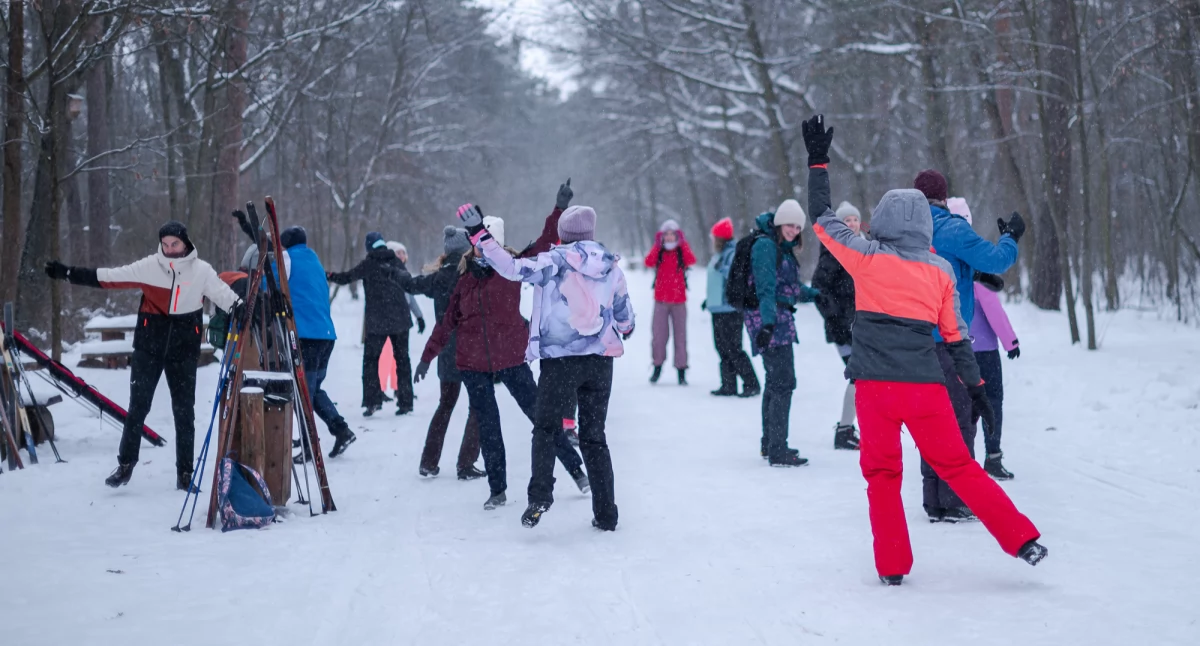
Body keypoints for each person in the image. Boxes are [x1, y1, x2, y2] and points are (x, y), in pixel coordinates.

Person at [803, 114, 1046, 585]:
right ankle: (1022, 539)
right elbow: (956, 336)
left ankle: (893, 567)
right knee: (960, 467)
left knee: (882, 476)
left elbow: (822, 218)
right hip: (925, 389)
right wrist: (976, 386)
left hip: (875, 390)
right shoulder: (939, 272)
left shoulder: (865, 257)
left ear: (882, 220)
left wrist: (818, 163)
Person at [416, 182, 587, 511]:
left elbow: (544, 242)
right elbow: (447, 322)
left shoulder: (512, 268)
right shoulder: (464, 281)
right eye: (479, 244)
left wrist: (559, 209)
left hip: (511, 358)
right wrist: (427, 357)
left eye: (488, 242)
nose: (483, 249)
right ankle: (497, 490)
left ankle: (577, 471)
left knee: (541, 418)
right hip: (472, 365)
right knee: (489, 428)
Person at [464, 201, 635, 531]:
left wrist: (479, 235)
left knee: (545, 428)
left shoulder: (554, 261)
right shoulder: (610, 266)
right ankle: (606, 514)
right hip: (600, 362)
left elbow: (512, 268)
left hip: (560, 362)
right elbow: (624, 315)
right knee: (595, 437)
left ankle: (540, 495)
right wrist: (625, 328)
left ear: (564, 233)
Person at [44, 222, 243, 490]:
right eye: (165, 244)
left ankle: (185, 474)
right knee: (138, 408)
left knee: (184, 412)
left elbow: (227, 298)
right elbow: (109, 277)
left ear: (185, 243)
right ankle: (125, 465)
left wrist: (243, 308)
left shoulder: (201, 271)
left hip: (183, 350)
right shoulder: (150, 266)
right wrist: (68, 273)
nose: (170, 249)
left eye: (175, 244)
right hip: (149, 347)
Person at [914, 170, 1025, 522]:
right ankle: (956, 499)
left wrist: (970, 273)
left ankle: (933, 498)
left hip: (914, 343)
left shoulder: (906, 230)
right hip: (949, 341)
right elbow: (997, 259)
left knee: (929, 421)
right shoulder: (952, 228)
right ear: (943, 198)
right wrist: (1010, 237)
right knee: (959, 419)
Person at [745, 200, 820, 466]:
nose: (794, 230)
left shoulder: (781, 249)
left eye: (798, 227)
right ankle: (778, 449)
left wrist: (816, 295)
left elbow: (791, 287)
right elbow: (765, 288)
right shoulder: (766, 247)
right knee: (783, 383)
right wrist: (767, 324)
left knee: (775, 382)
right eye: (790, 225)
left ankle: (770, 444)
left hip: (777, 319)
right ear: (779, 223)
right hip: (770, 320)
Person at [405, 227, 483, 480]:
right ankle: (466, 463)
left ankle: (428, 462)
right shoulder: (473, 273)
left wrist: (395, 271)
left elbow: (412, 285)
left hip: (446, 348)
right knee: (478, 407)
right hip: (472, 350)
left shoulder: (439, 277)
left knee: (446, 405)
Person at [279, 226, 357, 461]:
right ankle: (341, 430)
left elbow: (267, 283)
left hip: (306, 337)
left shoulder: (287, 259)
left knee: (303, 392)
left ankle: (309, 446)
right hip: (326, 335)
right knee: (312, 391)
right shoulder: (314, 260)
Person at [327, 232, 415, 416]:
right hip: (400, 318)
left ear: (369, 247)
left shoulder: (369, 263)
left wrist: (329, 275)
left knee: (370, 361)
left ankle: (372, 402)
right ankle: (406, 402)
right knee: (403, 360)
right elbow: (407, 281)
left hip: (378, 321)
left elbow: (346, 278)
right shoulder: (396, 261)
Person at [812, 201, 863, 451]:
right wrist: (837, 320)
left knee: (863, 377)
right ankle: (844, 430)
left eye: (855, 219)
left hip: (865, 326)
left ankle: (849, 429)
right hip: (843, 329)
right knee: (859, 376)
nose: (851, 224)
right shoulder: (833, 250)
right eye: (846, 220)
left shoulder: (865, 247)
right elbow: (819, 290)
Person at [702, 217, 759, 397]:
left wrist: (722, 268)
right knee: (722, 348)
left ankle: (752, 384)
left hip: (730, 309)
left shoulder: (732, 253)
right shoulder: (719, 254)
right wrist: (708, 300)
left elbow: (736, 276)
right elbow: (717, 282)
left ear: (719, 238)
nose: (712, 240)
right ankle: (728, 385)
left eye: (714, 237)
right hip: (717, 308)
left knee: (734, 348)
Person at [971, 270, 1019, 480]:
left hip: (955, 348)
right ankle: (993, 458)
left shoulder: (948, 271)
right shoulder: (978, 275)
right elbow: (993, 309)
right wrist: (1011, 342)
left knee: (961, 405)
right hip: (983, 351)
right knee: (992, 402)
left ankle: (959, 459)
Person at [644, 219, 695, 384]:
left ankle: (682, 370)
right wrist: (657, 245)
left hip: (679, 301)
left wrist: (683, 244)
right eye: (666, 234)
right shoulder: (659, 252)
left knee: (681, 337)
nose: (669, 237)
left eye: (673, 234)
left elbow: (691, 260)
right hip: (661, 301)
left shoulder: (681, 251)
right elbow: (648, 262)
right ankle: (657, 365)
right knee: (658, 336)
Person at [386, 241, 426, 334]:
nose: (401, 255)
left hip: (403, 319)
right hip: (390, 321)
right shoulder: (388, 273)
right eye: (398, 253)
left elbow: (409, 297)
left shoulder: (405, 273)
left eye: (403, 253)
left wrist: (419, 317)